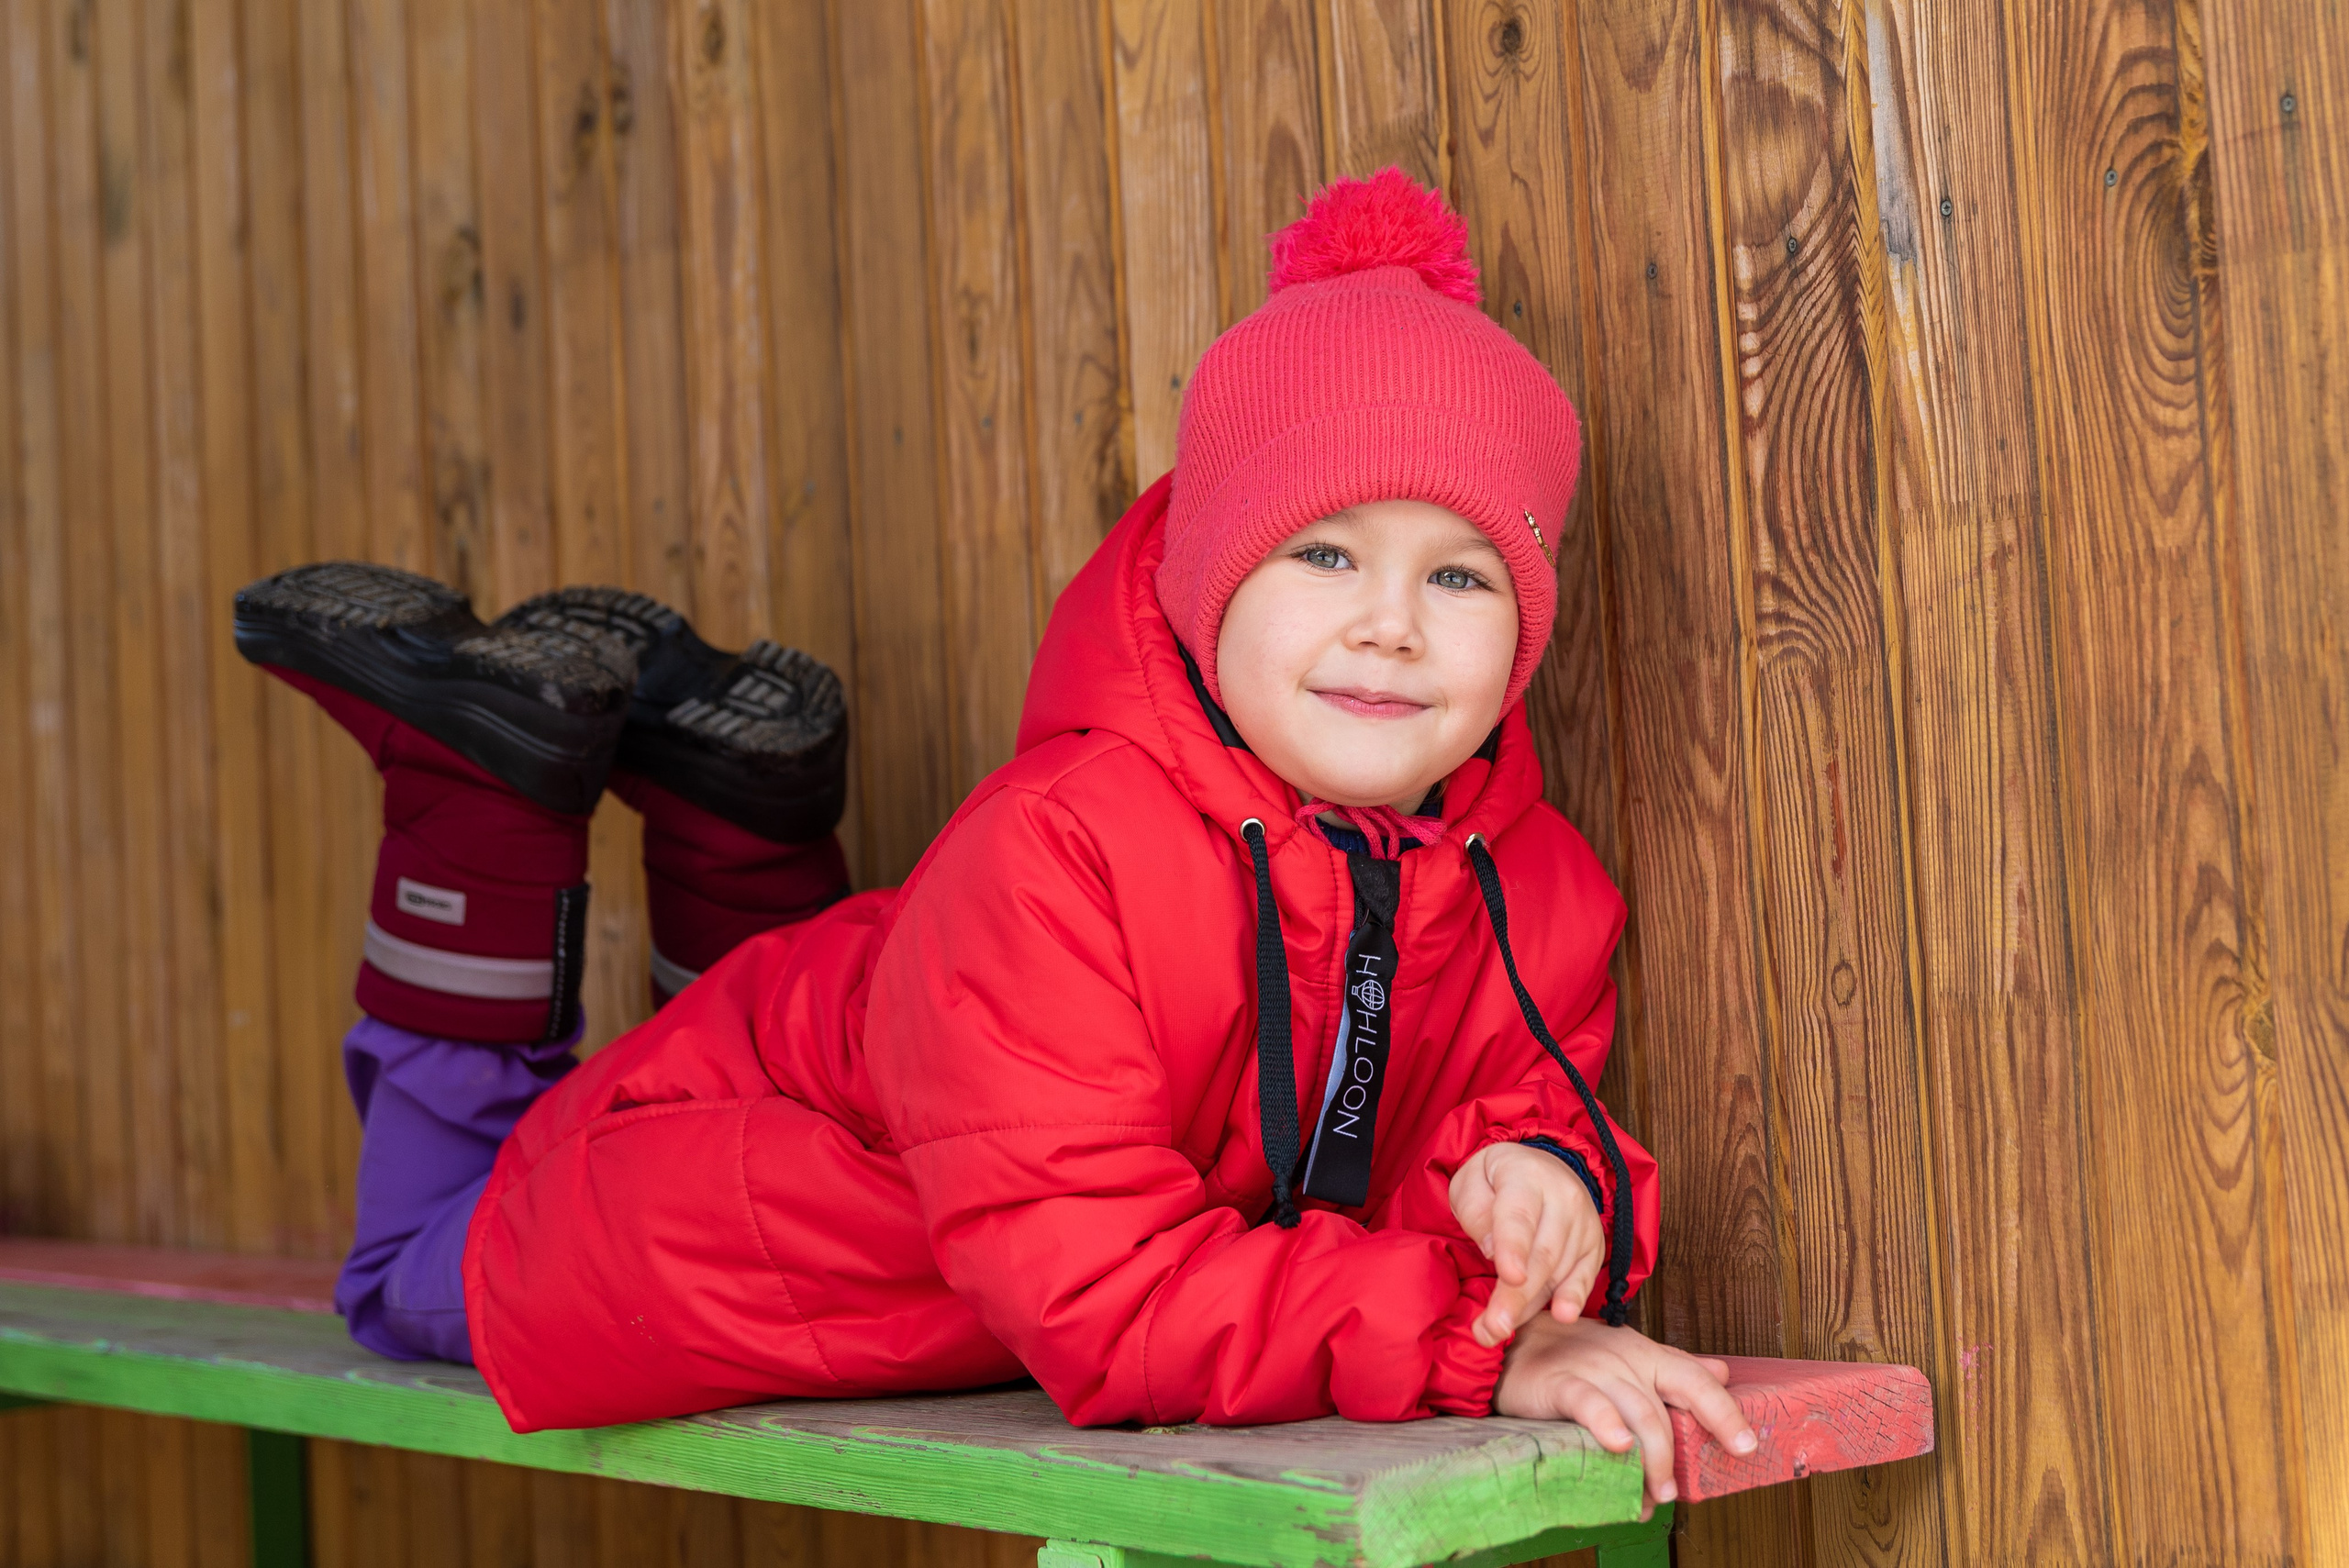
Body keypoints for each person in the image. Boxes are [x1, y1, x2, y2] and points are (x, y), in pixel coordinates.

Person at [233, 169, 1753, 1514]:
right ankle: (472, 800)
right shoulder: (1055, 851)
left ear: (1527, 627)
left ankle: (729, 808)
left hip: (874, 1176)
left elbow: (1495, 1115)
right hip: (657, 1242)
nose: (1389, 623)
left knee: (820, 1035)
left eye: (1465, 576)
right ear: (1209, 575)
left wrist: (1545, 1189)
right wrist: (1464, 1349)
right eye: (1326, 548)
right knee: (404, 1263)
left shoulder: (1530, 888)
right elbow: (1101, 1294)